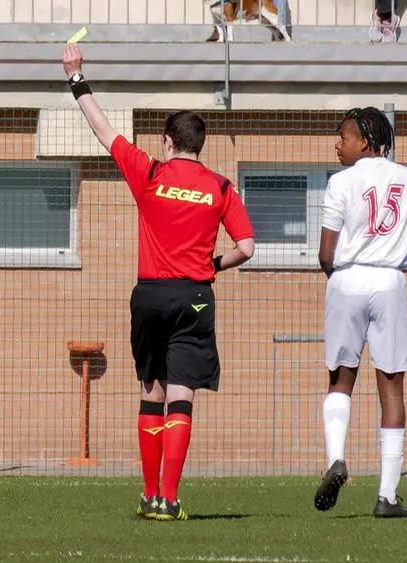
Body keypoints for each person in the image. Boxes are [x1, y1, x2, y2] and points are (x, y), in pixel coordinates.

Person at [62, 43, 255, 521]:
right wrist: (214, 263)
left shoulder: (149, 173)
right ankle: (171, 497)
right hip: (194, 296)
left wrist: (75, 77)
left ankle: (149, 496)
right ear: (199, 145)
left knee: (151, 389)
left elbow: (103, 129)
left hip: (148, 295)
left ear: (168, 142)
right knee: (181, 395)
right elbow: (248, 247)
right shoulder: (221, 187)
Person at [314, 107, 407, 519]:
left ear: (367, 140)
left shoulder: (340, 181)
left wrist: (340, 275)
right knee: (391, 388)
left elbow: (326, 252)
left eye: (344, 136)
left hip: (347, 279)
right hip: (390, 280)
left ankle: (336, 460)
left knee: (341, 378)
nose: (338, 144)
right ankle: (387, 497)